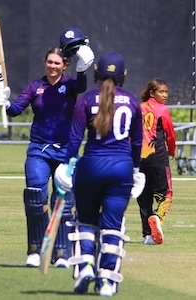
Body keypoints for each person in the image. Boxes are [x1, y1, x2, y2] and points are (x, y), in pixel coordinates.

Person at [0, 28, 95, 268]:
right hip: (39, 149)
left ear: (64, 65)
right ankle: (35, 250)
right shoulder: (34, 86)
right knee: (35, 198)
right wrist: (3, 102)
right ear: (45, 63)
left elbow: (81, 85)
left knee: (64, 202)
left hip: (65, 151)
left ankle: (62, 253)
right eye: (49, 62)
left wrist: (83, 65)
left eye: (57, 63)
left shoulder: (70, 85)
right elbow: (16, 109)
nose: (52, 66)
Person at [54, 51, 144, 297]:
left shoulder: (86, 100)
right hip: (121, 168)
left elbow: (74, 139)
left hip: (91, 166)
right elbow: (137, 142)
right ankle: (106, 281)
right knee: (112, 226)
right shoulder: (132, 102)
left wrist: (65, 164)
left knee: (86, 221)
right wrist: (136, 170)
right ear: (123, 76)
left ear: (96, 73)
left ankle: (85, 267)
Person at [137, 78, 176, 245]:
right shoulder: (162, 110)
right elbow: (170, 134)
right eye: (161, 91)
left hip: (139, 158)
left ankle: (148, 234)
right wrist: (172, 150)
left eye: (166, 92)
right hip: (158, 158)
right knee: (166, 193)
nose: (165, 95)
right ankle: (157, 219)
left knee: (144, 196)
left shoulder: (138, 108)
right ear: (152, 93)